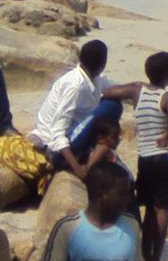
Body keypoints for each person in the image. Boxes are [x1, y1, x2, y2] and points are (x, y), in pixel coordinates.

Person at [31, 40, 140, 177]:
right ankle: (91, 159)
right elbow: (57, 133)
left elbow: (118, 88)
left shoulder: (94, 79)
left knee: (112, 103)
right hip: (56, 149)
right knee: (112, 107)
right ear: (103, 64)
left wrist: (140, 89)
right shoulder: (75, 86)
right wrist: (77, 169)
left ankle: (95, 151)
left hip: (73, 136)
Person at [132, 53, 168, 261]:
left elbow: (110, 92)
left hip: (144, 158)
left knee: (149, 210)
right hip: (165, 156)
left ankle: (145, 256)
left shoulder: (137, 92)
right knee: (163, 209)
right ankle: (155, 259)